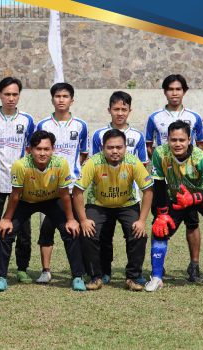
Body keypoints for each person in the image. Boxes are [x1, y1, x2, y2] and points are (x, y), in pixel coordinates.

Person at [147, 121, 203, 292]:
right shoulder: (159, 153)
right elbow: (158, 185)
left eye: (182, 140)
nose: (177, 144)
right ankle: (156, 277)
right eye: (173, 140)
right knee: (159, 230)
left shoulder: (200, 158)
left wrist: (194, 198)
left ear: (189, 140)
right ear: (167, 140)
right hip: (177, 197)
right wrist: (161, 213)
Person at [0, 131, 84, 292]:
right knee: (6, 232)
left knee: (71, 231)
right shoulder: (21, 165)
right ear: (30, 150)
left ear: (53, 149)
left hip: (52, 200)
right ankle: (1, 276)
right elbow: (15, 195)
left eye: (46, 149)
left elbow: (64, 194)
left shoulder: (61, 163)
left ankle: (77, 276)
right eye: (38, 149)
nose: (42, 153)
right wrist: (7, 219)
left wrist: (71, 219)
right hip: (25, 201)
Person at [145, 74, 203, 282]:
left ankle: (195, 265)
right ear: (165, 92)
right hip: (165, 181)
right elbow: (149, 146)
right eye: (170, 89)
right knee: (160, 222)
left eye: (178, 89)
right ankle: (158, 267)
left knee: (192, 224)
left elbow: (201, 145)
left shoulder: (195, 117)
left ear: (184, 92)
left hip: (188, 184)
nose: (174, 93)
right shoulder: (155, 118)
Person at [73, 129, 153, 292]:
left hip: (127, 204)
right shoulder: (93, 162)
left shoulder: (133, 162)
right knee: (89, 233)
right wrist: (83, 220)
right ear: (103, 148)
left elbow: (148, 190)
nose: (115, 151)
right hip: (98, 204)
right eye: (110, 147)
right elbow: (77, 191)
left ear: (125, 147)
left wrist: (142, 221)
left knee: (138, 233)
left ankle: (133, 276)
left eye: (119, 147)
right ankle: (96, 276)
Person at [0, 77, 35, 285]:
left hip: (21, 186)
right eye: (7, 94)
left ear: (19, 95)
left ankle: (22, 268)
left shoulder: (28, 120)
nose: (11, 98)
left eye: (15, 94)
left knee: (23, 230)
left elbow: (32, 150)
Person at [90, 91, 148, 284]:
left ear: (130, 110)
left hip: (128, 197)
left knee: (135, 234)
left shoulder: (137, 137)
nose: (120, 113)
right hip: (101, 197)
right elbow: (93, 164)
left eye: (124, 109)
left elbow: (143, 167)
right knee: (103, 236)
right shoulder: (98, 135)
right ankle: (103, 271)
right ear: (109, 110)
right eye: (116, 109)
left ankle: (133, 274)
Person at [34, 82, 88, 284]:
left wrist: (70, 173)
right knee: (46, 228)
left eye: (65, 96)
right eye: (57, 96)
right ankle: (45, 270)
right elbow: (36, 152)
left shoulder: (80, 125)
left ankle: (79, 272)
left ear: (72, 100)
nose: (61, 100)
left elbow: (83, 154)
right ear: (52, 99)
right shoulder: (43, 125)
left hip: (72, 186)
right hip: (47, 187)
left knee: (73, 228)